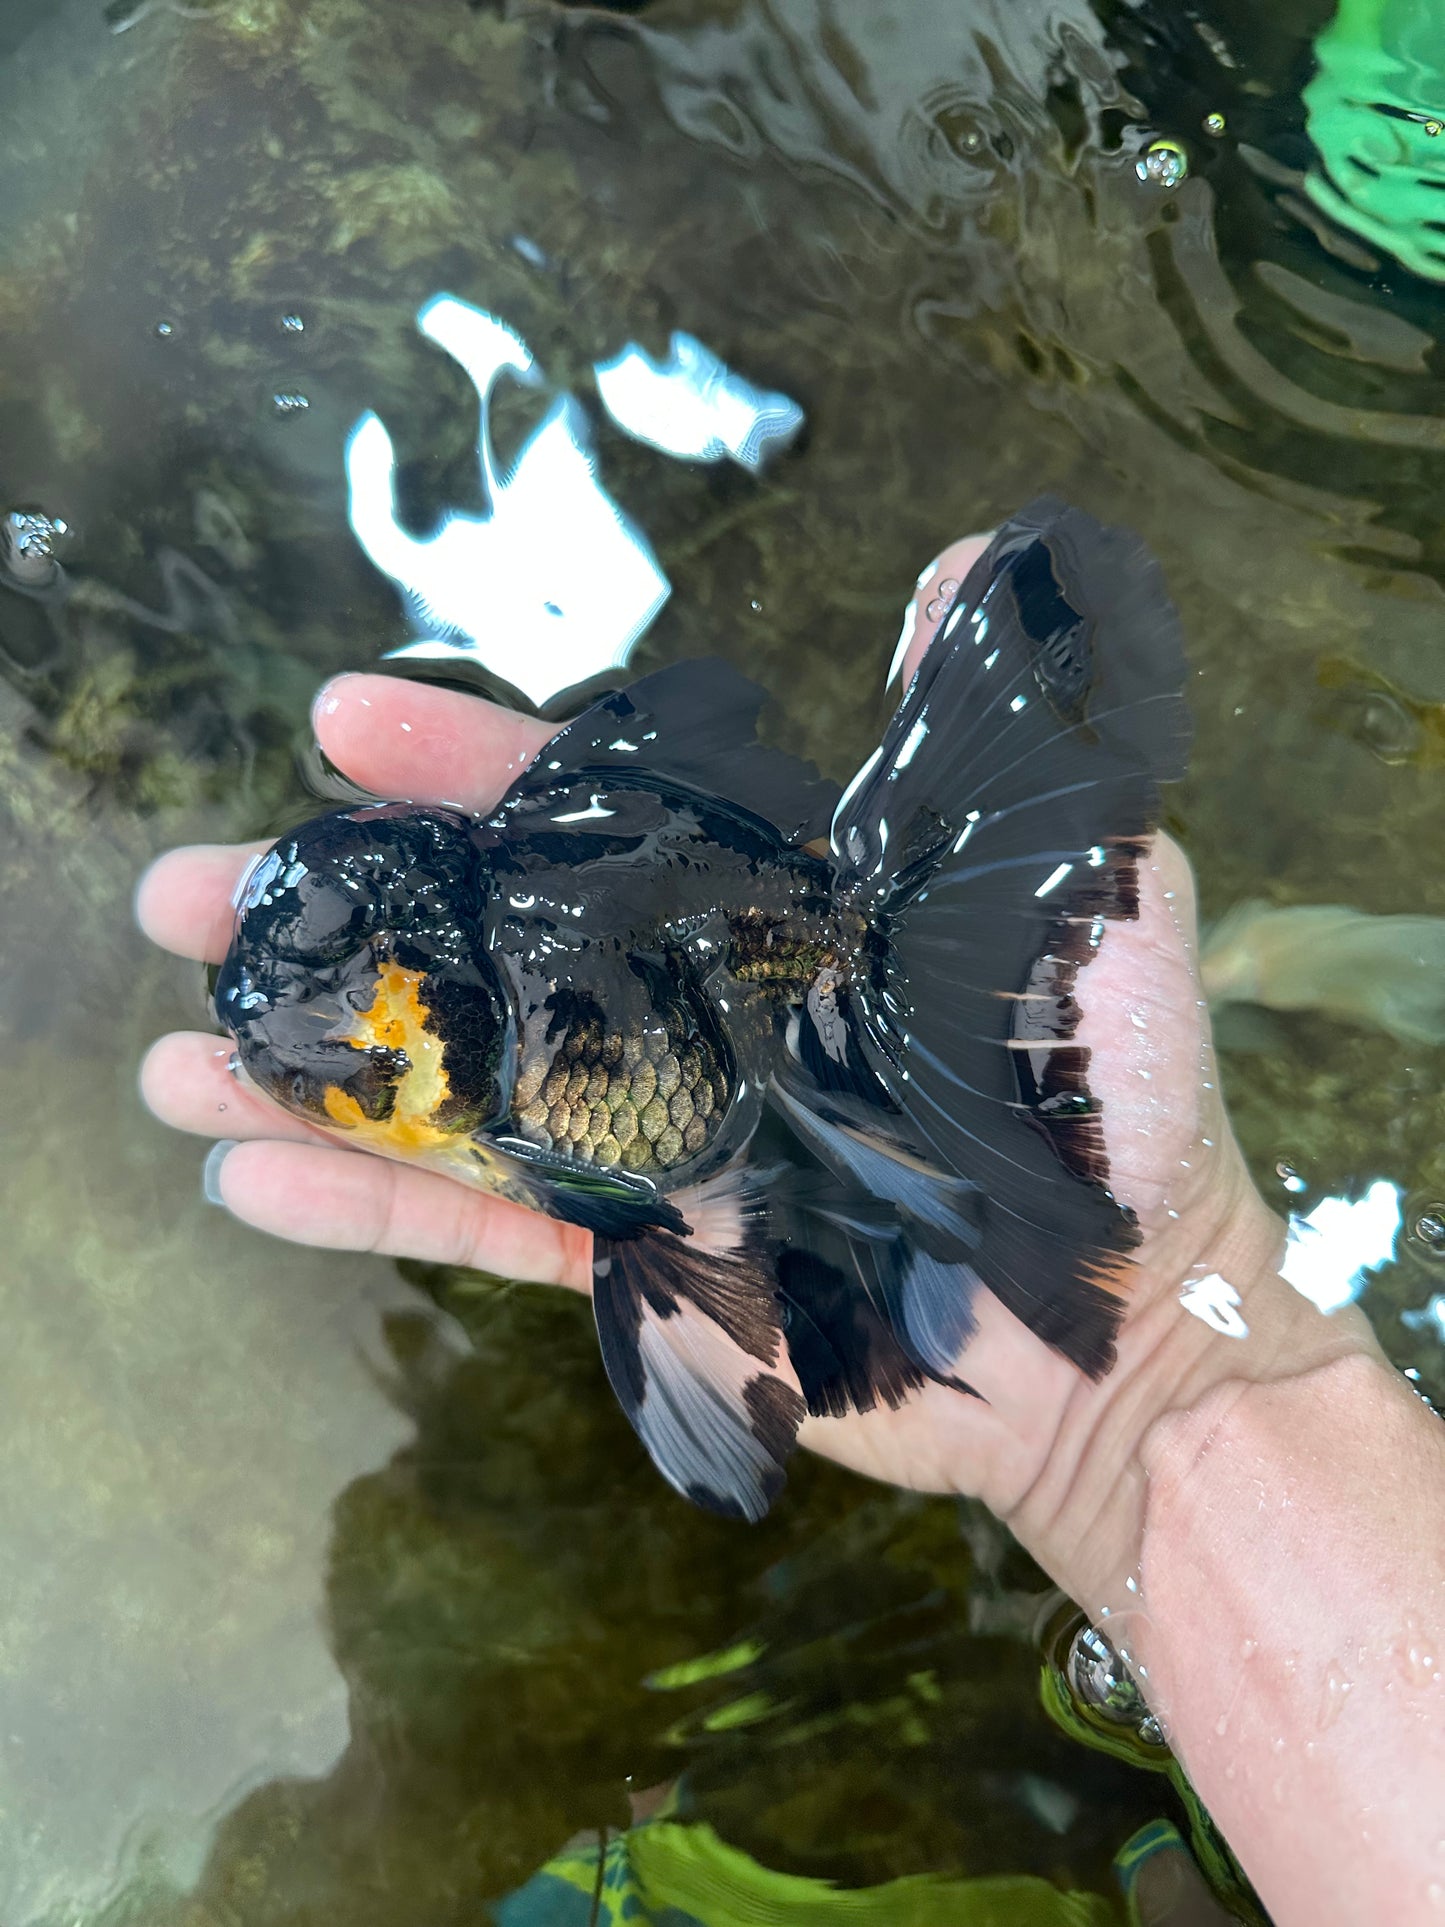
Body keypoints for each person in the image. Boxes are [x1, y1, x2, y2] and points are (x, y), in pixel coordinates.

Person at [136, 535, 1445, 1927]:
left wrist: (1155, 1387)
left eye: (325, 1065)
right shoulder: (520, 961)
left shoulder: (535, 1079)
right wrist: (1158, 1387)